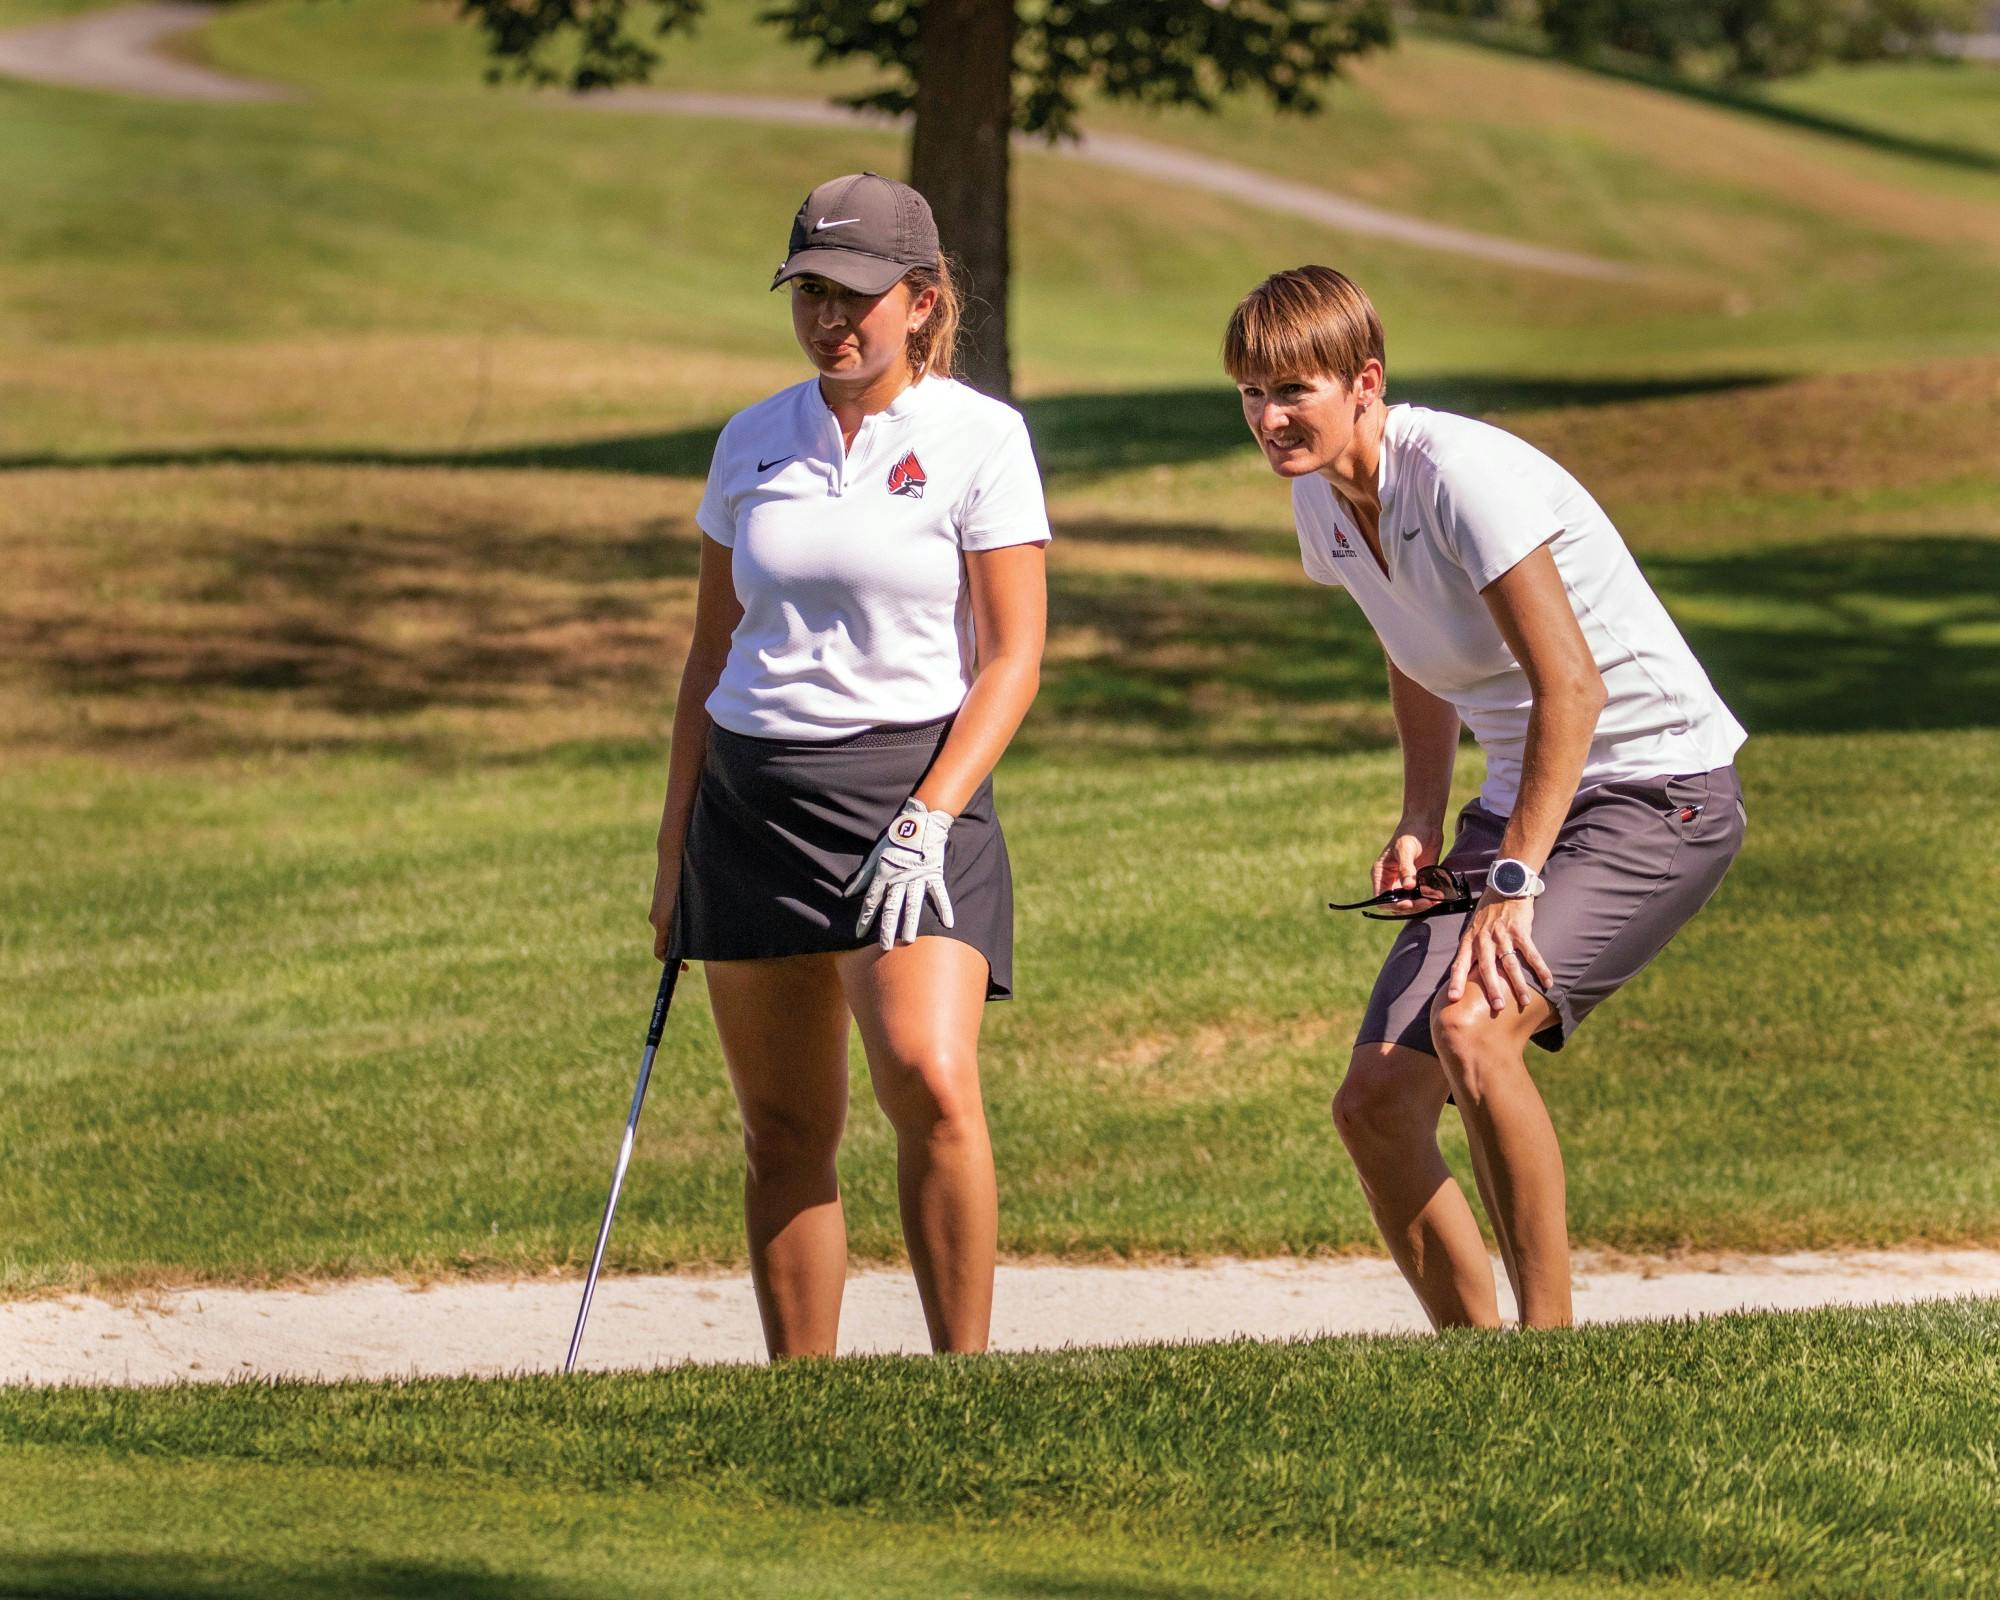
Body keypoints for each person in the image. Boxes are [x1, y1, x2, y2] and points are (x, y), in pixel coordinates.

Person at [1226, 266, 1747, 1330]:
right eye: (1248, 393)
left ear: (1363, 381)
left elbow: (1572, 686)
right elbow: (1411, 649)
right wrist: (1421, 814)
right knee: (1372, 1103)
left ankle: (1546, 1358)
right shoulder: (1317, 496)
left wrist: (1510, 875)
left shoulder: (1459, 475)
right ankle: (1477, 1367)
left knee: (1472, 1028)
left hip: (1656, 791)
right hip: (1524, 799)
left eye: (1292, 391)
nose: (1268, 418)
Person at [648, 173, 1050, 1358]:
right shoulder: (749, 438)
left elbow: (1015, 656)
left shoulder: (981, 437)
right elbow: (708, 654)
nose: (831, 318)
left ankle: (960, 1381)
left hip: (911, 794)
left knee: (927, 1077)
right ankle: (803, 1400)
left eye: (858, 295)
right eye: (811, 292)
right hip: (751, 804)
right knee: (781, 1127)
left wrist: (930, 815)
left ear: (923, 301)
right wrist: (673, 853)